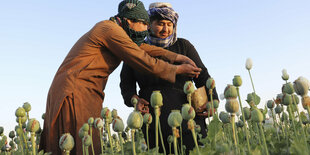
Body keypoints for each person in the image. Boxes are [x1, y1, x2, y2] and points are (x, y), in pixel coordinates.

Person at [39, 0, 202, 154]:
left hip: (87, 92)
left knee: (89, 144)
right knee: (79, 146)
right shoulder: (108, 29)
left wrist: (176, 57)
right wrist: (178, 69)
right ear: (130, 20)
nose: (146, 29)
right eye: (144, 24)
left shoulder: (118, 31)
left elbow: (143, 48)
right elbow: (143, 59)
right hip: (74, 90)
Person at [120, 2, 219, 154]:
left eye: (169, 24)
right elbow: (126, 85)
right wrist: (134, 99)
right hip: (153, 122)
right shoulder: (136, 50)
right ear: (148, 25)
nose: (166, 29)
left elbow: (202, 75)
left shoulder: (183, 46)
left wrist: (213, 101)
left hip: (188, 119)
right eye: (160, 24)